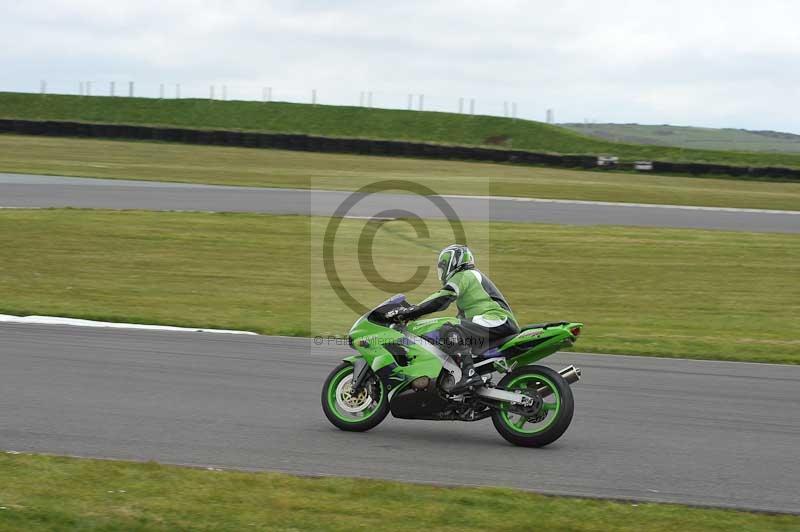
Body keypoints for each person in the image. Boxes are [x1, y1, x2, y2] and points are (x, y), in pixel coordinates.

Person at [387, 244, 519, 393]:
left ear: (453, 261)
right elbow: (460, 317)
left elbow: (442, 297)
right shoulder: (470, 284)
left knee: (449, 328)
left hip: (497, 319)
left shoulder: (466, 274)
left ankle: (468, 375)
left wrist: (411, 311)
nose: (442, 271)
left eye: (443, 266)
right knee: (448, 334)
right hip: (491, 322)